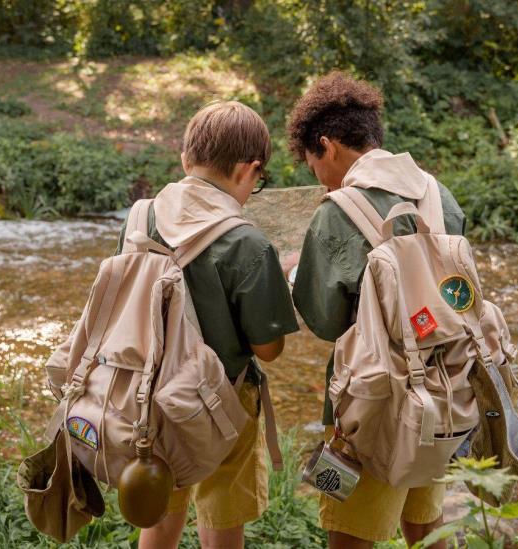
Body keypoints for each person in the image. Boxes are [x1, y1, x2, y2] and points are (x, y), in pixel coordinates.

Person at [285, 72, 466, 549]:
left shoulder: (337, 212)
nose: (317, 177)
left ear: (327, 146)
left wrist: (293, 274)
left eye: (311, 163)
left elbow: (326, 322)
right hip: (443, 391)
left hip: (367, 406)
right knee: (427, 525)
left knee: (345, 531)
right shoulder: (438, 194)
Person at [115, 100, 299, 549]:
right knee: (222, 516)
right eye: (259, 181)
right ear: (249, 170)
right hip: (224, 401)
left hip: (151, 390)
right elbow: (268, 349)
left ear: (184, 159)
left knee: (159, 512)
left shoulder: (142, 217)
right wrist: (284, 283)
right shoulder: (249, 243)